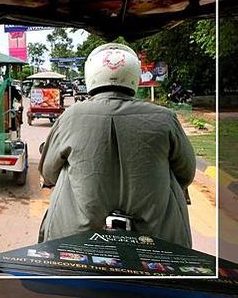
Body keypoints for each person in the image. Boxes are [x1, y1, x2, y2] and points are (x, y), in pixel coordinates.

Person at [38, 43, 196, 248]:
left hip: (77, 239)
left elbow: (49, 173)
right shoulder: (165, 118)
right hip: (157, 241)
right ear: (134, 76)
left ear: (91, 75)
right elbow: (186, 172)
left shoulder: (70, 116)